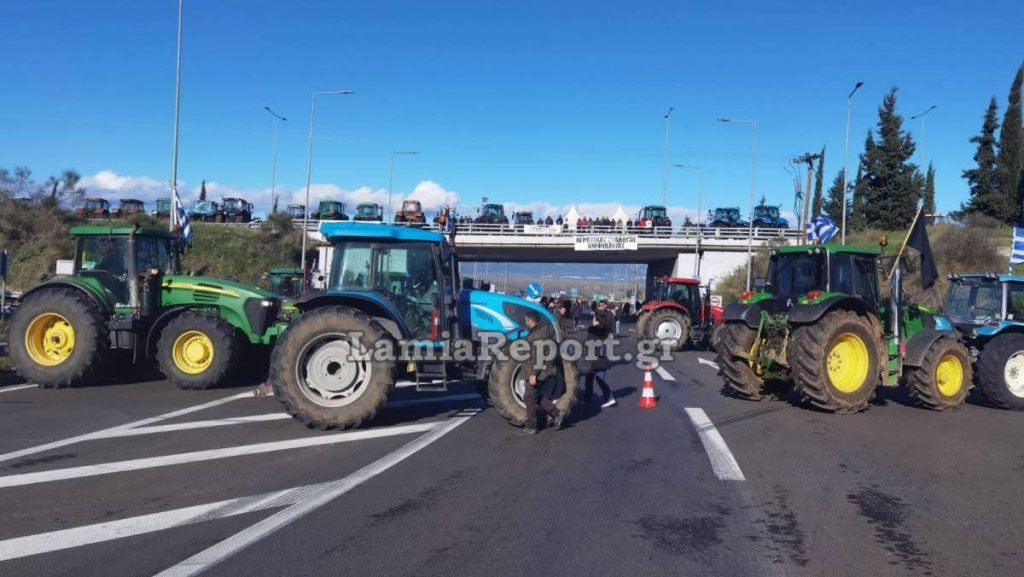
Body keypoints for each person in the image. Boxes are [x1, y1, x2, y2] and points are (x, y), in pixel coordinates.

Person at [519, 310, 566, 435]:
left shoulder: (538, 336)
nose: (525, 322)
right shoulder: (540, 332)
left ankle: (531, 427)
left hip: (538, 371)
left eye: (526, 320)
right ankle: (557, 413)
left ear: (530, 320)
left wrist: (534, 374)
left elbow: (538, 358)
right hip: (540, 370)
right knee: (536, 396)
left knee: (529, 397)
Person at [582, 300, 616, 407]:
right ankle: (588, 399)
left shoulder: (607, 318)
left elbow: (604, 325)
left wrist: (597, 321)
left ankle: (609, 397)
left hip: (599, 354)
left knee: (600, 377)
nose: (600, 307)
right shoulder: (598, 320)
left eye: (602, 305)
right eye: (599, 305)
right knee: (589, 377)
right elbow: (590, 329)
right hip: (592, 353)